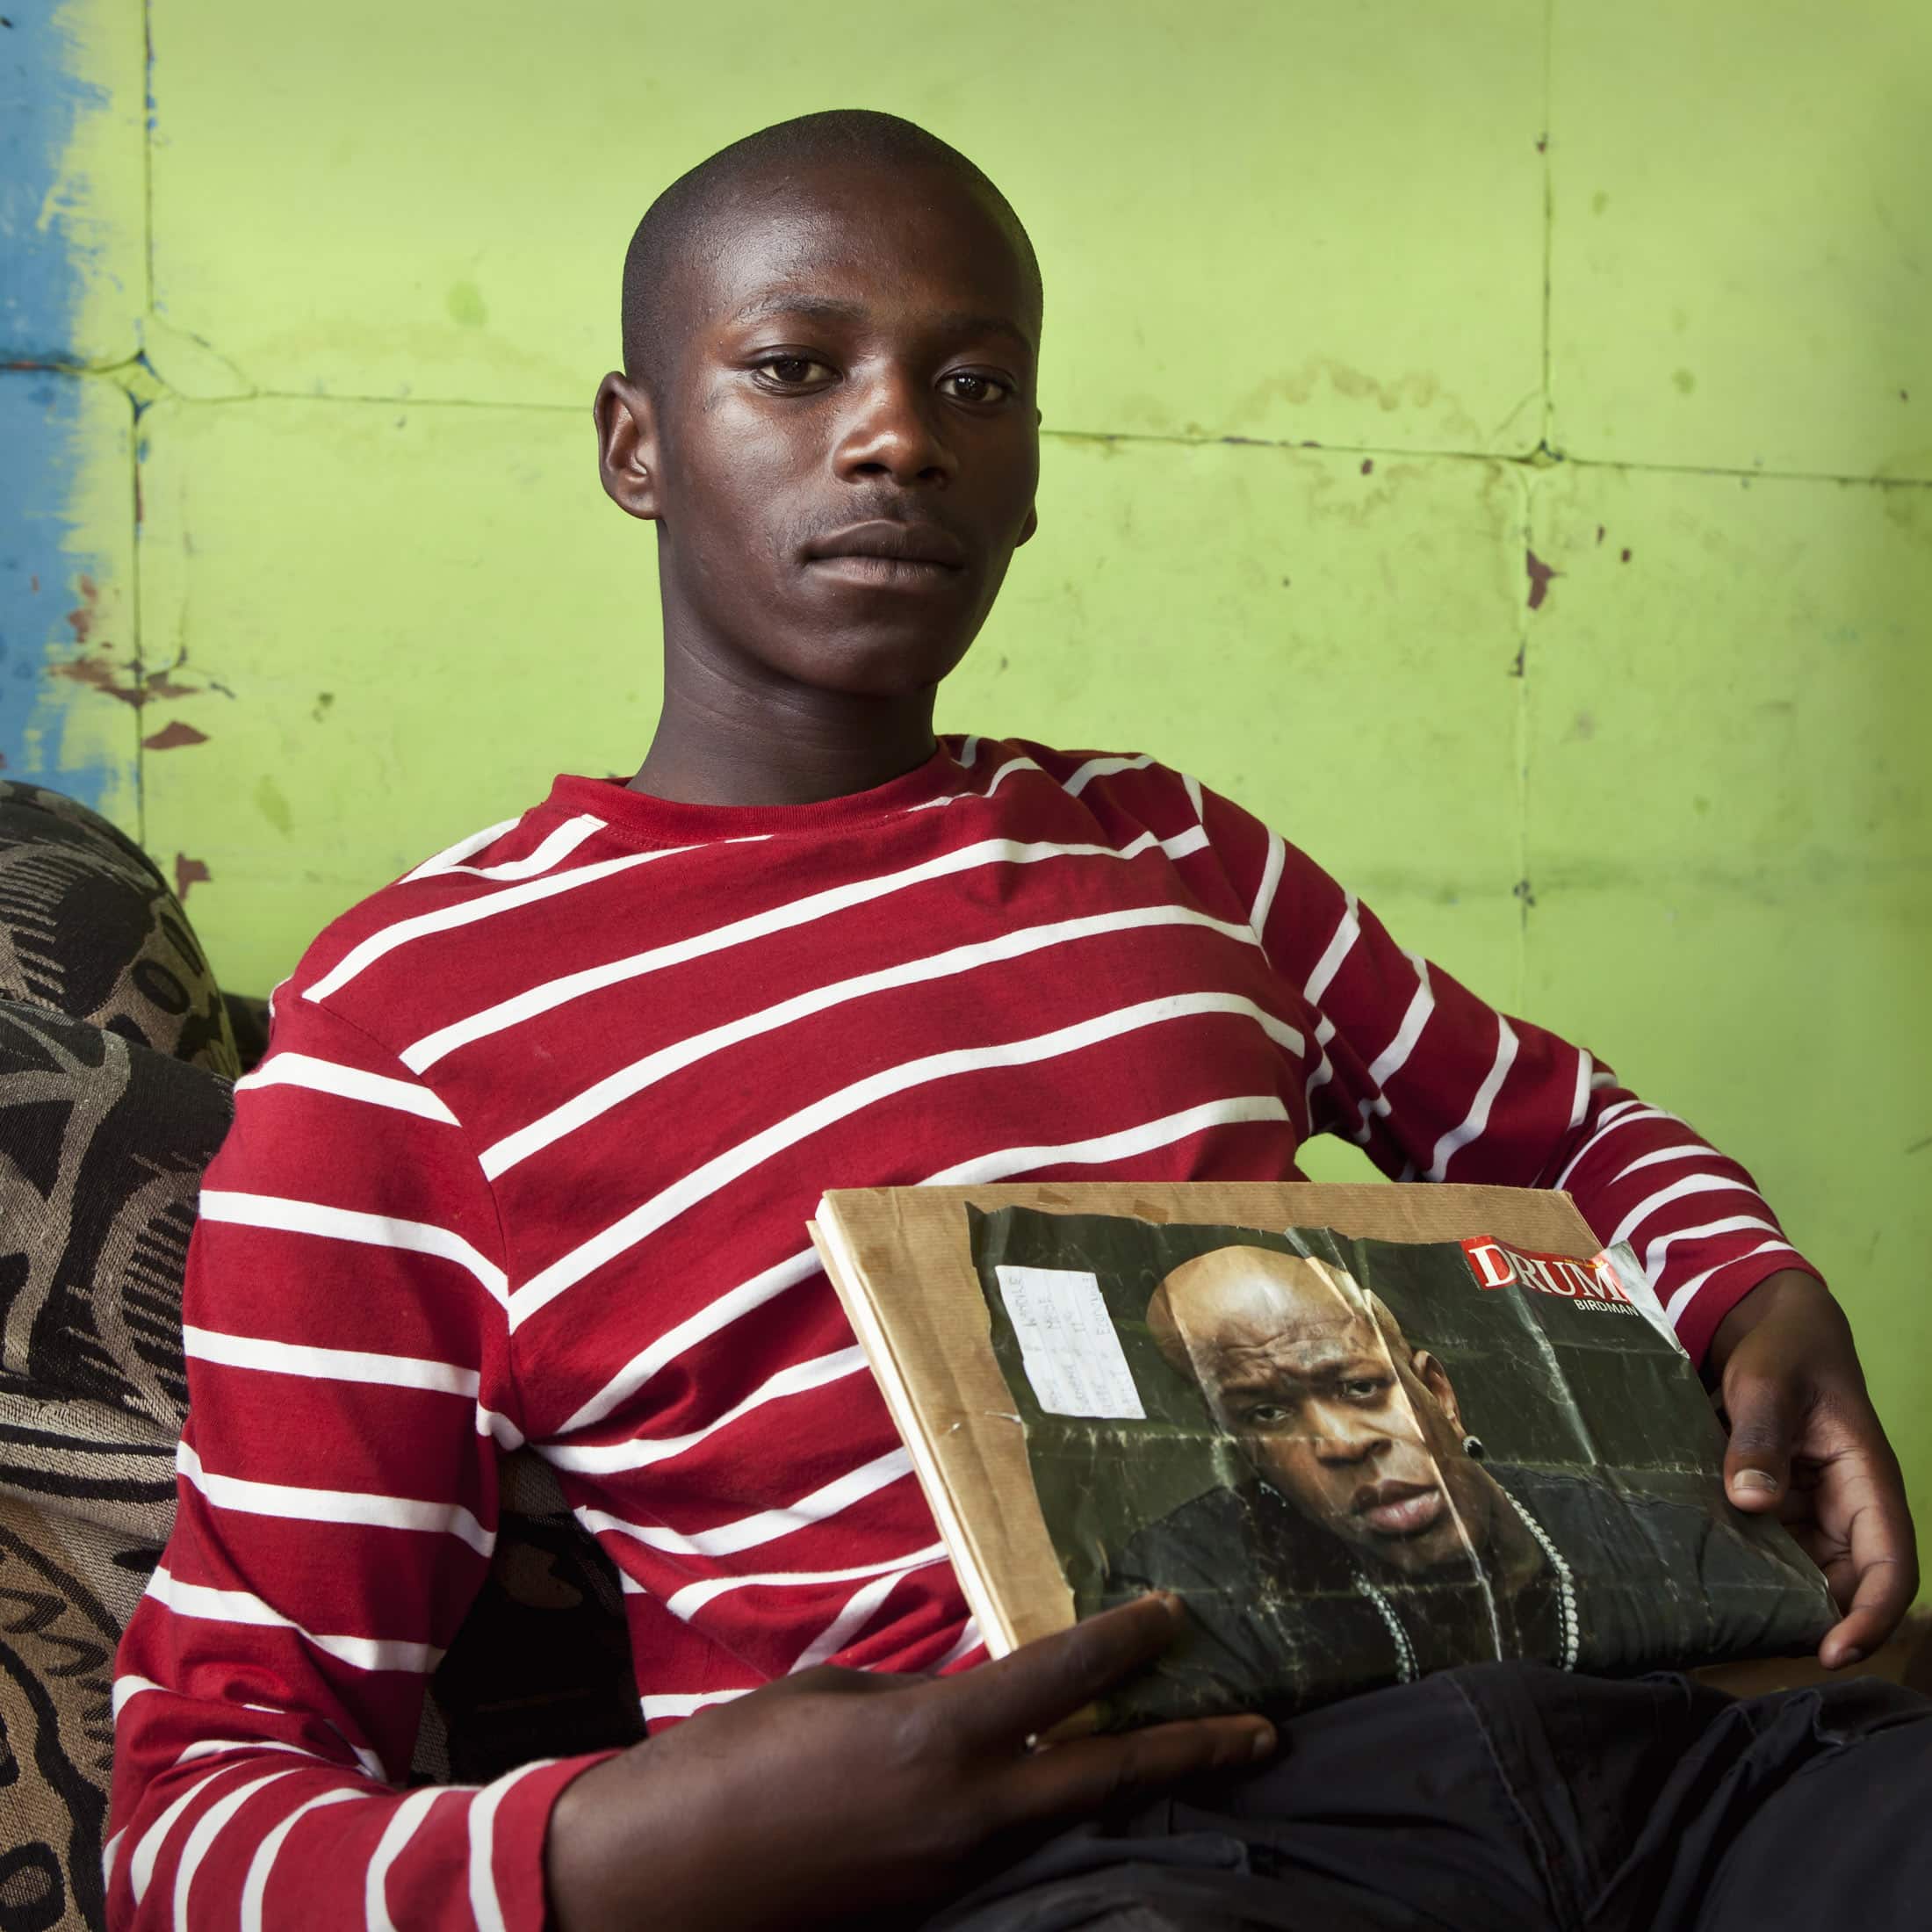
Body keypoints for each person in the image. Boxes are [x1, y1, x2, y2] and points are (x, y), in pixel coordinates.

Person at [105, 110, 1923, 1931]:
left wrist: (1750, 1286)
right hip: (1082, 1866)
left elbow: (1568, 1128)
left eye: (975, 383)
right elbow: (192, 1819)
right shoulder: (417, 1019)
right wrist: (631, 1846)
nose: (897, 435)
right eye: (795, 367)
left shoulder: (1167, 847)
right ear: (635, 444)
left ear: (1033, 468)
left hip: (1653, 1753)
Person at [1111, 1245, 1831, 1711]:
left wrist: (1774, 1299)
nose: (1342, 1443)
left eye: (1362, 1388)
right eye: (1267, 1412)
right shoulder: (1187, 1583)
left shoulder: (1663, 1541)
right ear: (1240, 1452)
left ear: (1440, 1395)